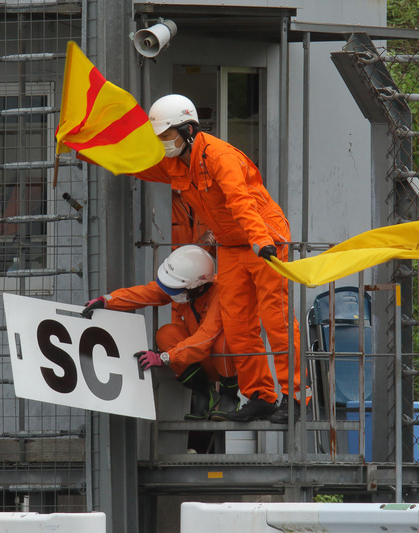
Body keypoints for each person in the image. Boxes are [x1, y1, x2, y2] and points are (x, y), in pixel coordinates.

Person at [130, 94, 305, 423]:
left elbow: (241, 202)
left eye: (167, 136)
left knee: (276, 321)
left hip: (263, 241)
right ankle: (261, 396)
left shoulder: (219, 156)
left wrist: (261, 241)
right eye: (160, 138)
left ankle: (296, 397)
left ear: (188, 129)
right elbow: (137, 165)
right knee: (239, 325)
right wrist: (91, 150)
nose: (163, 144)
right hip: (231, 246)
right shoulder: (178, 160)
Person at [82, 245, 240, 421]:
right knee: (166, 334)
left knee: (222, 341)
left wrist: (164, 357)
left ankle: (229, 395)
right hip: (199, 357)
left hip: (223, 360)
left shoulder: (220, 292)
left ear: (200, 286)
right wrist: (106, 301)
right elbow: (146, 293)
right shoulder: (188, 287)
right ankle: (204, 393)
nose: (172, 293)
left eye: (177, 289)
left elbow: (206, 338)